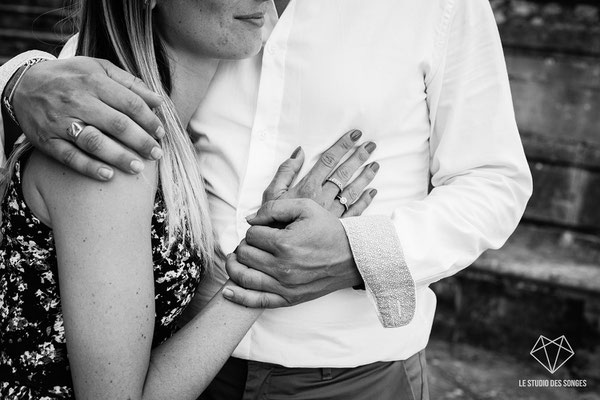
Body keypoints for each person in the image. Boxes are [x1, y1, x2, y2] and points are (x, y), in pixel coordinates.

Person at [0, 0, 533, 398]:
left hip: (351, 375)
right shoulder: (120, 148)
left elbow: (494, 180)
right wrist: (17, 79)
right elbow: (94, 73)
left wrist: (359, 253)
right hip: (175, 364)